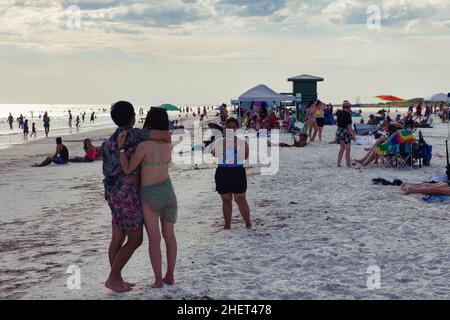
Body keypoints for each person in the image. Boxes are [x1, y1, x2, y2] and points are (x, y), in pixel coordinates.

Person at [102, 101, 171, 293]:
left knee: (117, 236)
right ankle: (113, 278)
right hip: (127, 193)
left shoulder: (109, 141)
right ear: (133, 117)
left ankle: (116, 278)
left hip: (112, 192)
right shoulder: (135, 135)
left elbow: (106, 170)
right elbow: (165, 135)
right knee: (135, 238)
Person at [118, 107, 177, 289]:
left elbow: (128, 168)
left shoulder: (144, 146)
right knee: (169, 236)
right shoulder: (168, 145)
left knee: (154, 239)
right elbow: (165, 136)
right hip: (168, 191)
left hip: (149, 193)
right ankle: (170, 276)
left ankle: (158, 280)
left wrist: (121, 149)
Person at [212, 117, 251, 229]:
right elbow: (215, 154)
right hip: (222, 172)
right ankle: (227, 224)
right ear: (225, 128)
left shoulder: (242, 142)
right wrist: (226, 142)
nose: (231, 129)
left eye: (234, 127)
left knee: (240, 199)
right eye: (229, 127)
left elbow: (245, 156)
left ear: (237, 129)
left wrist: (234, 143)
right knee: (226, 200)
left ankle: (248, 223)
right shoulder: (219, 141)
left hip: (237, 171)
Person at [336, 102, 356, 168]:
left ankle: (338, 164)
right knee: (348, 149)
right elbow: (349, 126)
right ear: (348, 107)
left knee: (342, 149)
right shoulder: (348, 115)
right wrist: (353, 135)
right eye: (350, 107)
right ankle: (348, 165)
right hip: (345, 131)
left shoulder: (339, 113)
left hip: (339, 131)